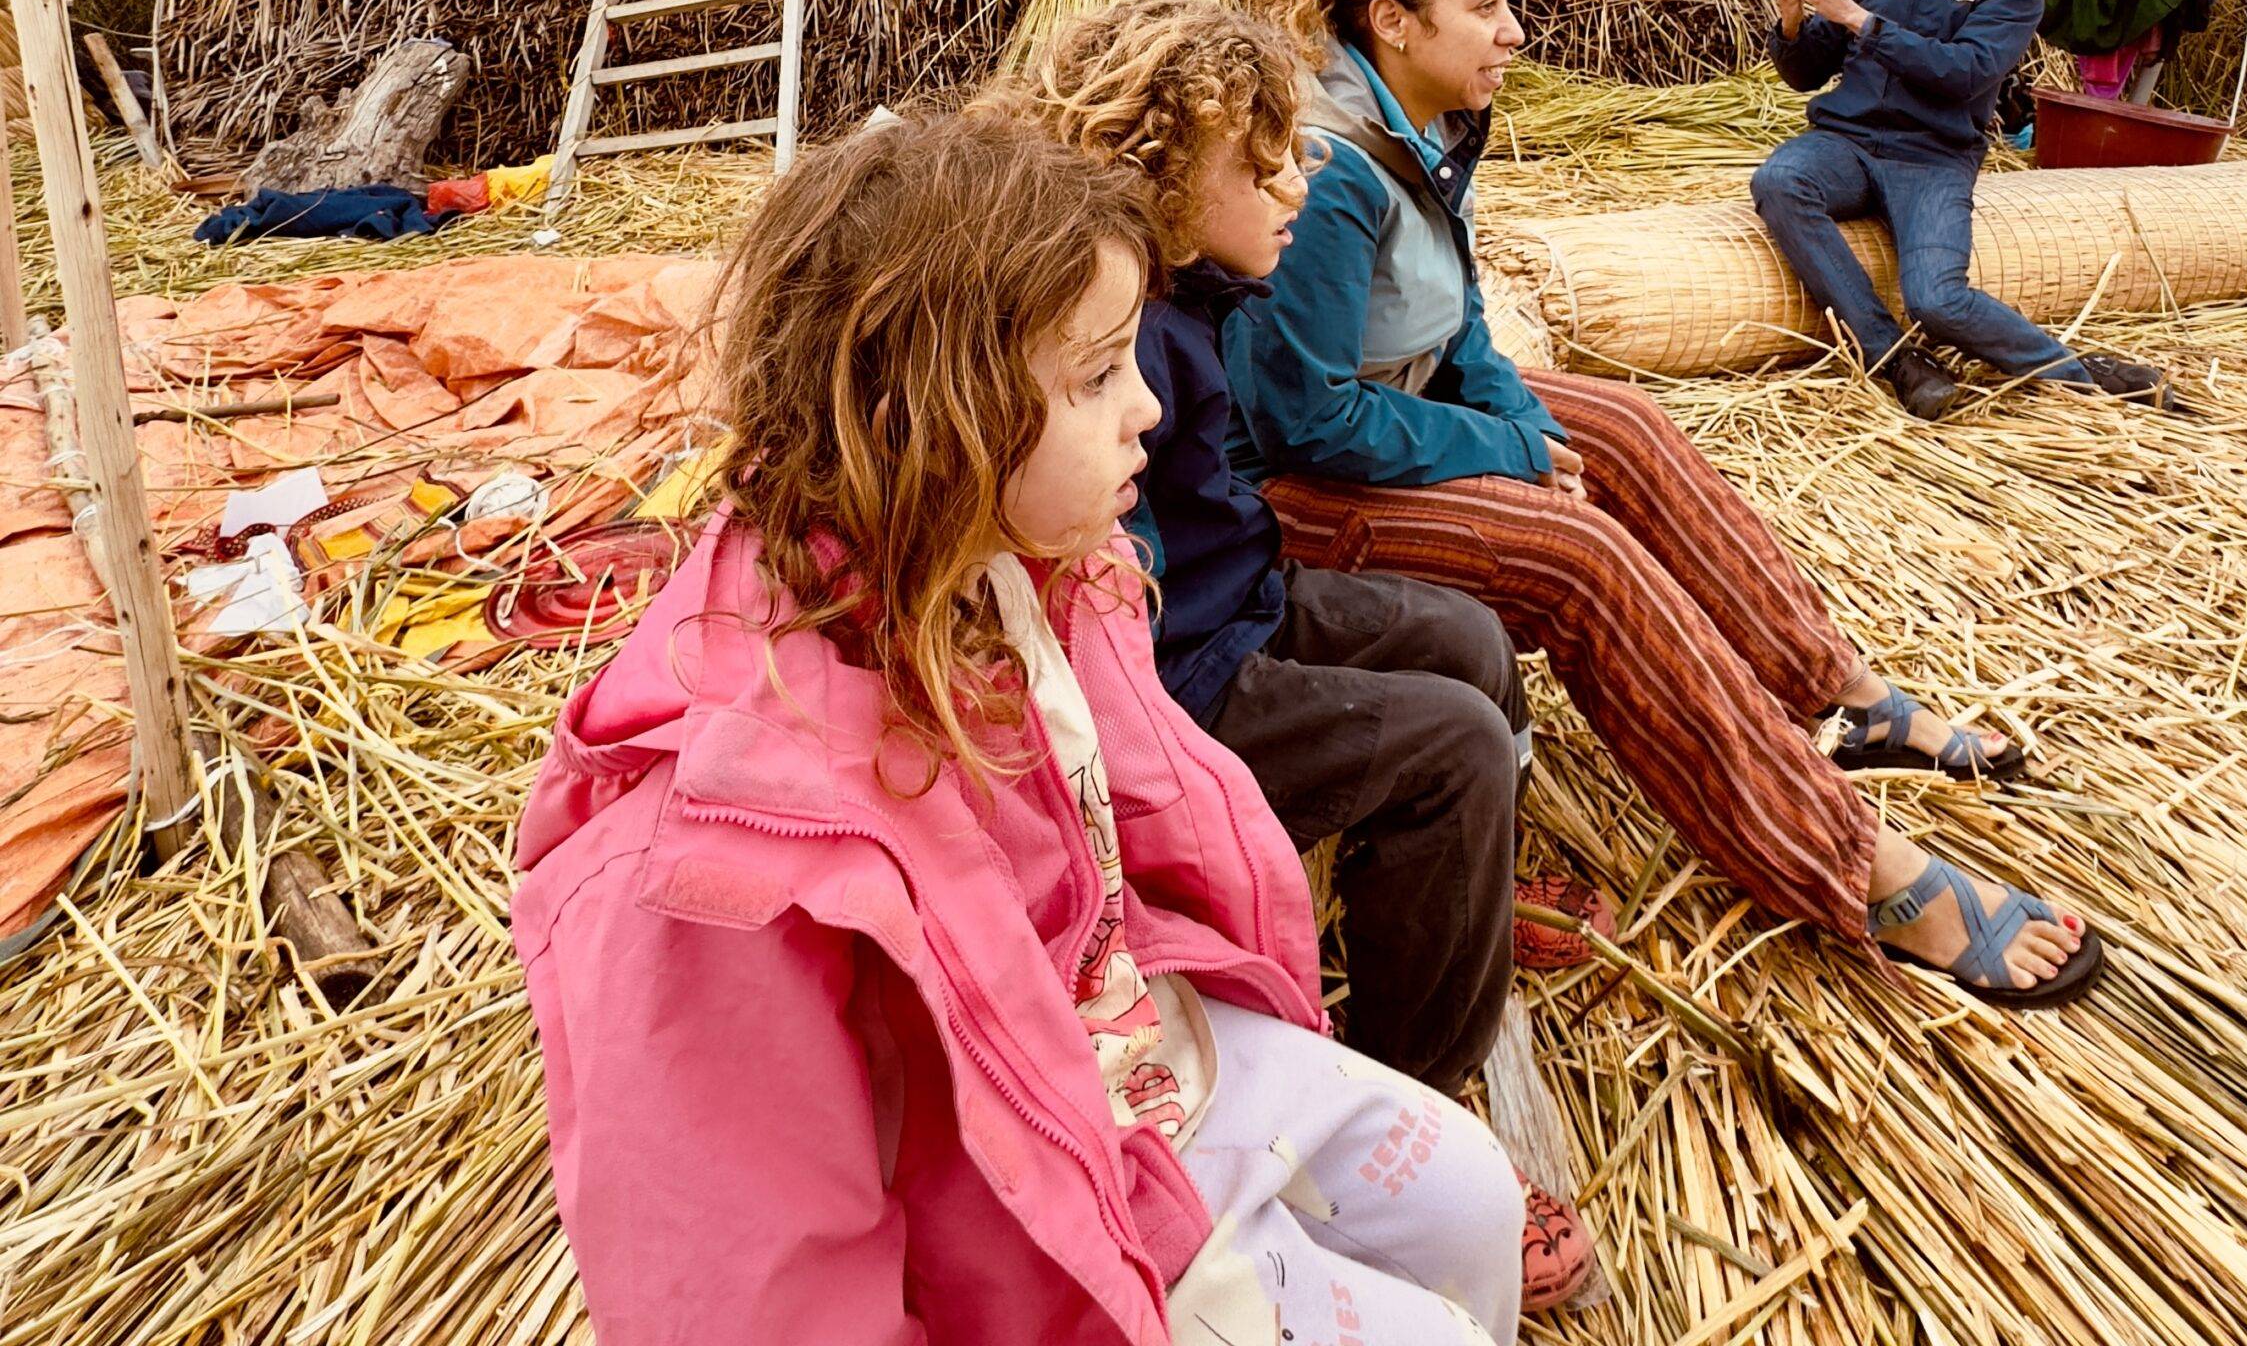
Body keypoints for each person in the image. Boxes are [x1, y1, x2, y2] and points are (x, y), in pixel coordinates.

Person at [511, 112, 1525, 1346]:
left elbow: (1105, 856)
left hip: (1123, 1052)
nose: (1148, 405)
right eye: (1096, 374)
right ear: (933, 419)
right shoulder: (711, 856)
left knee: (1469, 1191)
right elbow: (751, 1286)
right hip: (1011, 1196)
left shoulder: (1026, 572)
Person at [1224, 0, 2104, 1009]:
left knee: (1621, 424)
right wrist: (1505, 455)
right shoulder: (1337, 166)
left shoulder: (1433, 115)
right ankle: (1854, 863)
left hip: (1406, 398)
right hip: (1294, 488)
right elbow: (1305, 419)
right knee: (1577, 559)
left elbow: (1459, 315)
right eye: (1485, 9)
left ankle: (1834, 691)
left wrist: (1513, 414)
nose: (1515, 33)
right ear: (1391, 21)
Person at [995, 0, 1603, 1310]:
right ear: (1162, 179)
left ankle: (1465, 905)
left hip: (1248, 601)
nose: (1301, 173)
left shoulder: (1198, 292)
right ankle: (1412, 1092)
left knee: (1468, 639)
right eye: (1259, 162)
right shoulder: (1120, 334)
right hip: (1185, 676)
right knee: (1442, 746)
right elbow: (1117, 589)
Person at [1754, 0, 2173, 421]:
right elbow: (1805, 74)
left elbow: (1965, 73)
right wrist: (1793, 17)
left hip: (1932, 157)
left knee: (1936, 299)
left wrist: (1856, 18)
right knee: (1779, 180)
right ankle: (1895, 357)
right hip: (1844, 146)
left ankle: (2077, 372)